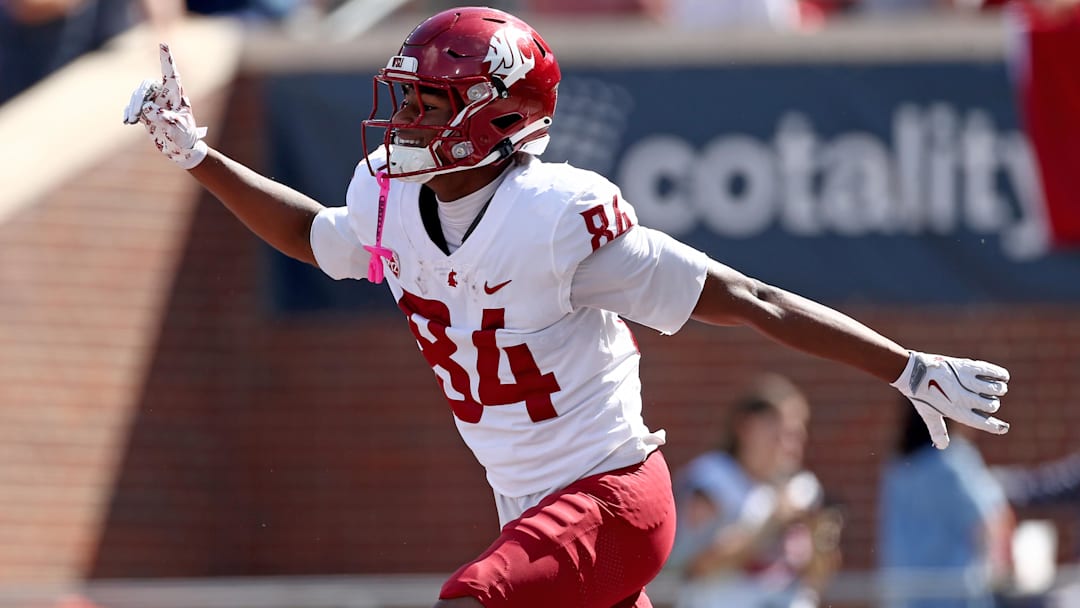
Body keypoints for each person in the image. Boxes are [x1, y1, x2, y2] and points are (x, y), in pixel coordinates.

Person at [122, 6, 1012, 607]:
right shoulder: (390, 201)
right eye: (410, 97)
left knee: (474, 599)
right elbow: (315, 236)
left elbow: (747, 297)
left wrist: (906, 367)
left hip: (615, 498)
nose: (408, 119)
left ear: (497, 118)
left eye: (433, 101)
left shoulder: (554, 218)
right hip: (528, 509)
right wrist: (197, 155)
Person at [667, 374, 842, 608]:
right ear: (746, 427)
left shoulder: (804, 488)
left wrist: (821, 539)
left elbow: (817, 580)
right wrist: (771, 524)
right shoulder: (711, 480)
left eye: (797, 434)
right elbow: (691, 567)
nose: (790, 445)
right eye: (780, 433)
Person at [878, 397, 1015, 608]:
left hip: (905, 596)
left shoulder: (897, 468)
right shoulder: (954, 463)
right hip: (955, 595)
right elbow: (987, 524)